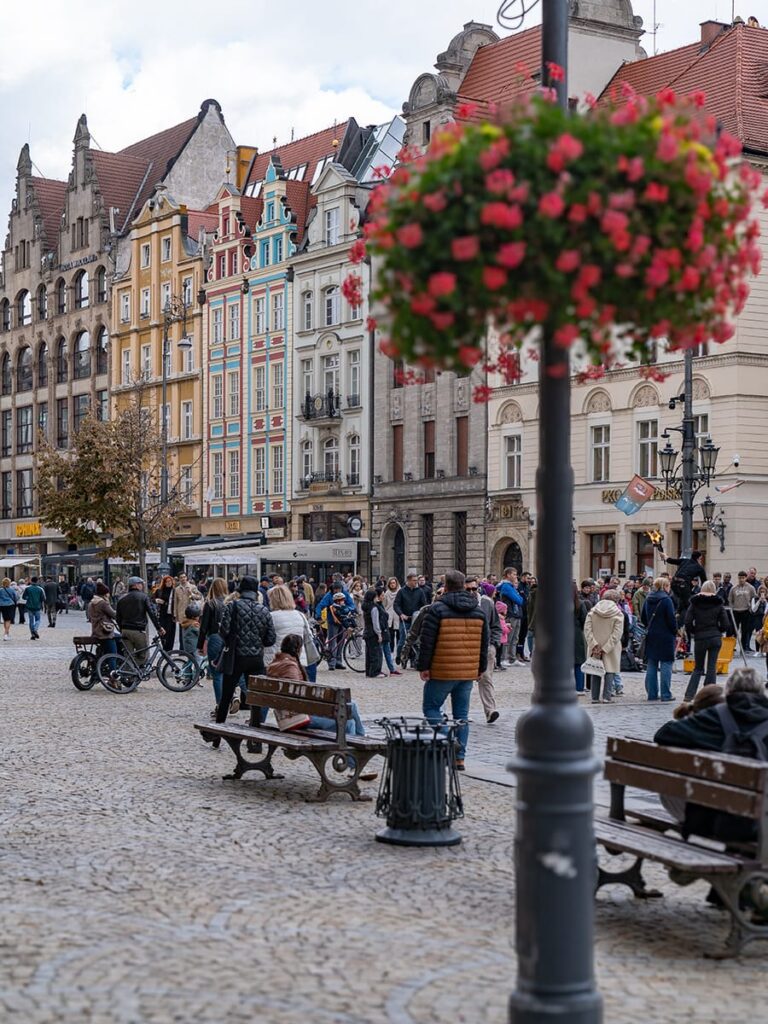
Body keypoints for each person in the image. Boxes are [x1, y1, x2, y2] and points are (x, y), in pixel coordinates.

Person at [655, 667, 768, 844]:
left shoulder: (714, 716)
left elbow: (664, 735)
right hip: (760, 819)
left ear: (728, 691)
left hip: (708, 817)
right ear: (762, 693)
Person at [268, 635, 377, 779]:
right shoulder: (290, 668)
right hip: (297, 719)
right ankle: (354, 765)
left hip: (287, 717)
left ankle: (361, 739)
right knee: (348, 722)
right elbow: (301, 698)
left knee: (353, 705)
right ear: (298, 649)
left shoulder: (276, 663)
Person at [417, 569, 489, 771]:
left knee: (431, 708)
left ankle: (448, 738)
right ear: (464, 586)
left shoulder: (437, 609)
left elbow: (427, 641)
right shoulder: (478, 611)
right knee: (461, 716)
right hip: (467, 671)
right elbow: (484, 644)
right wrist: (480, 668)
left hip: (442, 669)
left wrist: (423, 666)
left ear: (445, 586)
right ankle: (460, 758)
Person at [215, 575, 275, 727]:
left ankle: (217, 731)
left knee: (227, 695)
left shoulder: (232, 606)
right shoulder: (264, 610)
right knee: (255, 697)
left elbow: (223, 631)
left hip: (236, 656)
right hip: (256, 659)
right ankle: (255, 740)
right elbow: (270, 639)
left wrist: (233, 639)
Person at [262, 583, 318, 683]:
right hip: (299, 661)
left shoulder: (270, 616)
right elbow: (308, 637)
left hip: (276, 663)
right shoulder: (299, 615)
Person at [684, 580, 730, 699]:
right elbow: (726, 624)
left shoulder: (695, 603)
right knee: (711, 666)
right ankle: (710, 695)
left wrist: (694, 631)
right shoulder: (718, 603)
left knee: (698, 668)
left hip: (700, 637)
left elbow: (688, 621)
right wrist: (718, 630)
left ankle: (689, 695)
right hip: (714, 636)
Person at [470, 575, 501, 723]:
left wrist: (494, 643)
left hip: (487, 646)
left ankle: (490, 710)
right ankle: (462, 712)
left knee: (486, 678)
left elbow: (495, 624)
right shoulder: (460, 603)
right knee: (464, 681)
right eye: (467, 589)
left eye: (473, 589)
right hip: (467, 647)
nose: (471, 592)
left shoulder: (487, 602)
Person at [584, 588, 625, 703]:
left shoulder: (592, 612)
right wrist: (606, 648)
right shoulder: (618, 614)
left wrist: (594, 645)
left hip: (595, 647)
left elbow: (587, 630)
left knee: (595, 670)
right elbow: (617, 634)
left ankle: (595, 697)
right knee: (610, 671)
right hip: (611, 648)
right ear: (616, 600)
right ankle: (607, 697)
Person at [641, 578, 678, 702]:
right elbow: (671, 620)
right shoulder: (666, 600)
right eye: (668, 586)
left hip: (652, 634)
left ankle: (652, 694)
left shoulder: (648, 598)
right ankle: (665, 694)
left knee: (652, 663)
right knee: (666, 663)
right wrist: (675, 631)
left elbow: (643, 617)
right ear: (664, 586)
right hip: (666, 635)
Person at [115, 577, 163, 665]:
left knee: (128, 655)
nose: (142, 585)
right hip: (138, 630)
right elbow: (152, 613)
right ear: (136, 585)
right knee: (143, 655)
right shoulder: (144, 597)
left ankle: (128, 673)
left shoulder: (121, 598)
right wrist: (159, 628)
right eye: (141, 584)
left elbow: (118, 617)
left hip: (125, 630)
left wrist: (121, 628)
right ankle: (135, 672)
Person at [198, 577, 229, 712]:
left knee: (217, 674)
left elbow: (203, 627)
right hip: (230, 639)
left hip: (215, 637)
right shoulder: (231, 603)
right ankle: (232, 697)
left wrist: (200, 645)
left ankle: (220, 705)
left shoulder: (211, 604)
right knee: (230, 672)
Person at [315, 583, 355, 670]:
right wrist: (318, 616)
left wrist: (347, 609)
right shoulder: (329, 596)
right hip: (332, 621)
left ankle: (338, 661)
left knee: (341, 641)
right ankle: (331, 663)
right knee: (332, 642)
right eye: (335, 590)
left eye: (339, 589)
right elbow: (320, 606)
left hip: (343, 621)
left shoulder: (345, 594)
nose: (337, 591)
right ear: (332, 589)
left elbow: (352, 605)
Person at [394, 572, 428, 666]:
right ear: (408, 580)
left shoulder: (420, 591)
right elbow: (396, 604)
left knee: (415, 640)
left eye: (416, 580)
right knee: (403, 639)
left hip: (416, 619)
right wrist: (401, 614)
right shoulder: (401, 591)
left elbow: (424, 604)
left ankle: (413, 659)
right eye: (414, 580)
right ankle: (400, 656)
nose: (415, 582)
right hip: (405, 619)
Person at [664, 549, 706, 627]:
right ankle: (687, 623)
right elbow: (704, 582)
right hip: (683, 585)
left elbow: (671, 560)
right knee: (688, 605)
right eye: (700, 559)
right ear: (698, 558)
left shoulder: (685, 561)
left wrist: (665, 556)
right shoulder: (699, 568)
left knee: (681, 600)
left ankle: (677, 613)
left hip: (674, 583)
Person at [496, 567, 524, 665]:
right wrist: (518, 595)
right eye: (514, 574)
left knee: (515, 638)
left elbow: (520, 599)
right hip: (511, 614)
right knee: (508, 637)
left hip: (516, 614)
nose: (516, 576)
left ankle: (512, 657)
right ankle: (504, 658)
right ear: (508, 575)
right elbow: (519, 600)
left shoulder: (511, 586)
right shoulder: (506, 586)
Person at [88, 581, 119, 665]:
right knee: (113, 654)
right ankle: (113, 673)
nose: (109, 594)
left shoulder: (91, 603)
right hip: (105, 632)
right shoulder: (103, 603)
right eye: (108, 593)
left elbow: (90, 617)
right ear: (105, 594)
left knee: (117, 638)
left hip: (95, 631)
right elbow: (114, 615)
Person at [729, 571, 758, 654]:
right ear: (738, 578)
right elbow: (730, 600)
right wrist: (731, 609)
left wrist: (751, 608)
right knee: (734, 631)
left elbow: (754, 598)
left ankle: (743, 648)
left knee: (745, 631)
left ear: (746, 578)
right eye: (740, 578)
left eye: (743, 578)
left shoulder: (751, 588)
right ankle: (732, 648)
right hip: (736, 611)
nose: (741, 579)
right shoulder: (733, 588)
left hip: (746, 611)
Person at [174, 573, 201, 650]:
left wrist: (191, 594)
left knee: (191, 632)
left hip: (191, 614)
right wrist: (175, 614)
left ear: (187, 578)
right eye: (181, 577)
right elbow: (176, 602)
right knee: (181, 633)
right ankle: (182, 649)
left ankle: (191, 648)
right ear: (179, 579)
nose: (183, 579)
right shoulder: (177, 589)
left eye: (184, 577)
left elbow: (199, 596)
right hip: (181, 614)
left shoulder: (192, 587)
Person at [362, 587, 385, 678]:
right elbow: (375, 622)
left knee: (369, 654)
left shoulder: (365, 606)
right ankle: (375, 672)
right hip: (373, 633)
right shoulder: (374, 608)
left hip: (367, 632)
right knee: (376, 653)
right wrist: (379, 634)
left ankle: (369, 671)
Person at [154, 574, 177, 651]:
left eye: (170, 581)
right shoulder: (159, 591)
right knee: (162, 632)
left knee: (170, 633)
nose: (169, 583)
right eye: (167, 582)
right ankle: (164, 648)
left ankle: (169, 650)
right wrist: (156, 600)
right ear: (164, 582)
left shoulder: (174, 591)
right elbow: (152, 599)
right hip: (162, 614)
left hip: (171, 615)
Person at [573, 583, 588, 694]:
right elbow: (585, 621)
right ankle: (579, 687)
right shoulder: (580, 604)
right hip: (577, 634)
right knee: (578, 662)